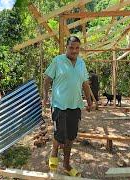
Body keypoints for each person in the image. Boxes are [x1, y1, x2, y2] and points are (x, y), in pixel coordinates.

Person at [43, 36, 93, 177]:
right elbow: (47, 79)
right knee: (60, 135)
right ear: (66, 47)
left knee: (70, 137)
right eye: (71, 47)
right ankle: (53, 153)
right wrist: (45, 96)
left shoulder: (81, 63)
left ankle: (66, 164)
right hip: (59, 104)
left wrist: (89, 101)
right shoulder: (58, 61)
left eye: (77, 48)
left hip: (75, 105)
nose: (74, 51)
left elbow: (85, 84)